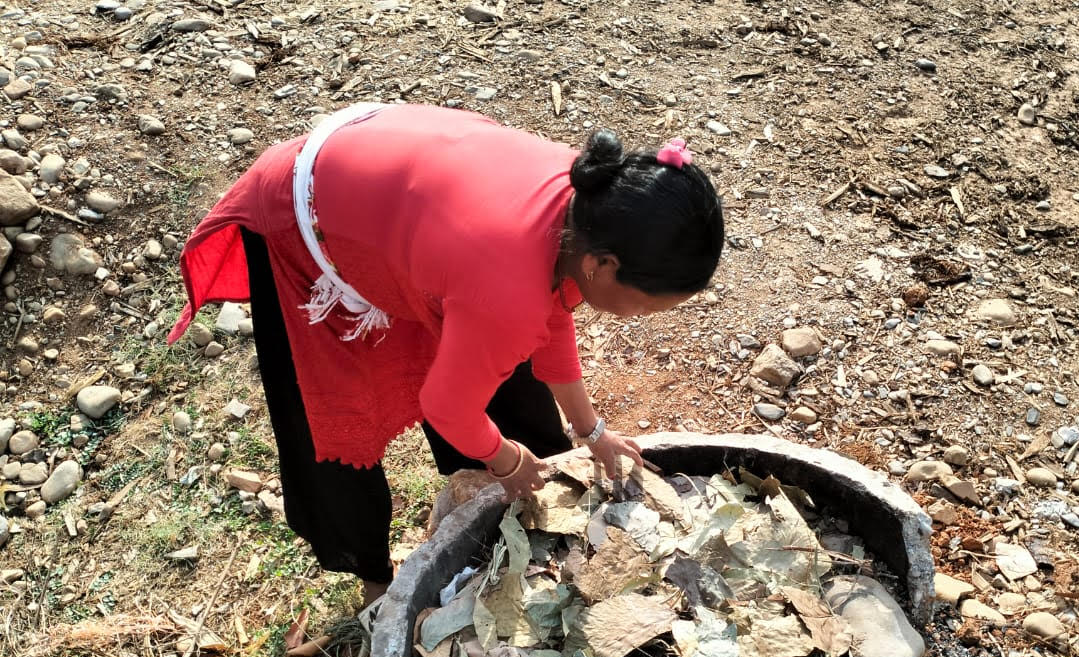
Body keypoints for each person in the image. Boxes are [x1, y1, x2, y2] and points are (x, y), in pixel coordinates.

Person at [169, 103, 725, 607]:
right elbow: (448, 406)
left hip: (403, 202)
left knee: (507, 388)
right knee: (336, 423)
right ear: (601, 265)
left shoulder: (596, 203)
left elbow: (550, 315)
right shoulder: (508, 287)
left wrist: (592, 430)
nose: (644, 318)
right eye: (649, 305)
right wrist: (506, 459)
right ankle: (377, 583)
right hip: (311, 211)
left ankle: (498, 512)